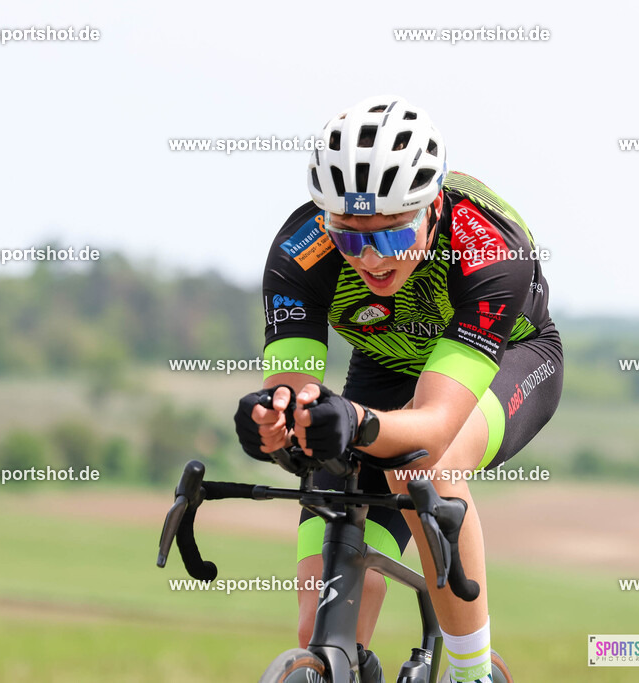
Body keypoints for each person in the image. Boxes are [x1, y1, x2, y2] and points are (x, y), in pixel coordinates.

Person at [234, 95, 562, 683]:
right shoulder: (298, 253)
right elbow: (294, 394)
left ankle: (471, 672)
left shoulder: (486, 248)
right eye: (350, 237)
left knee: (423, 467)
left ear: (433, 208)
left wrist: (355, 423)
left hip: (510, 357)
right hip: (383, 369)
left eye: (390, 236)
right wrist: (275, 422)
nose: (371, 259)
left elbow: (435, 423)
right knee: (318, 632)